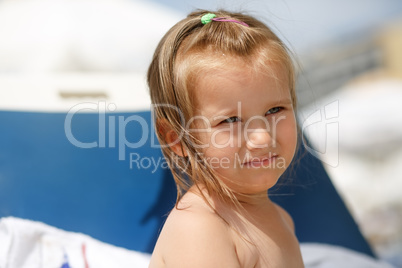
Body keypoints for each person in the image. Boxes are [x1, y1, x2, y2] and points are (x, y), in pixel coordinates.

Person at [147, 9, 304, 267]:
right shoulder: (199, 229)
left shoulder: (282, 219)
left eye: (274, 110)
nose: (263, 138)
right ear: (178, 139)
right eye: (230, 120)